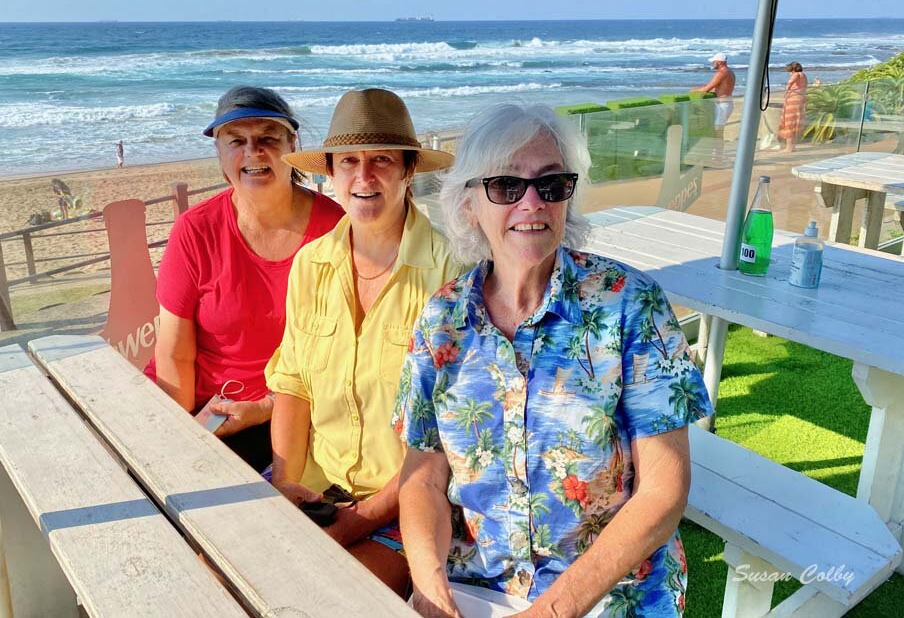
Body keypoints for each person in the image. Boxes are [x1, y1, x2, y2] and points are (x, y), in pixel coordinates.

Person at [394, 104, 713, 618]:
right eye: (505, 186)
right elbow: (424, 475)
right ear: (469, 204)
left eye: (550, 185)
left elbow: (663, 491)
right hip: (479, 585)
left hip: (613, 592)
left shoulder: (629, 304)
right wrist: (430, 590)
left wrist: (552, 611)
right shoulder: (442, 321)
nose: (531, 203)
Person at [266, 88, 461, 596]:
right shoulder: (311, 264)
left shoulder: (450, 274)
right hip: (315, 484)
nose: (364, 176)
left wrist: (363, 517)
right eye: (348, 161)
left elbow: (450, 435)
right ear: (330, 171)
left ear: (409, 169)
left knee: (330, 600)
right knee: (214, 569)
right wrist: (287, 483)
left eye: (381, 160)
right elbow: (292, 383)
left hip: (412, 502)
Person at [150, 86, 343, 472]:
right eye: (236, 141)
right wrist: (182, 439)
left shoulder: (335, 228)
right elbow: (175, 353)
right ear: (220, 154)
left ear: (293, 144)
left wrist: (264, 408)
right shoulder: (196, 230)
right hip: (206, 406)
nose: (253, 152)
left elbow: (339, 356)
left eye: (269, 138)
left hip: (291, 408)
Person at [692, 52, 736, 136]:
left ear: (719, 62)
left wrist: (693, 91)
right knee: (718, 131)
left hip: (722, 105)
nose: (713, 63)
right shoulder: (730, 72)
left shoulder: (721, 73)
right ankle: (718, 149)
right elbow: (721, 89)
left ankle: (718, 149)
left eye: (714, 61)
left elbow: (706, 89)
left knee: (717, 132)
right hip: (727, 103)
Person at [777, 62, 808, 154]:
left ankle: (789, 147)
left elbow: (791, 82)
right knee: (795, 123)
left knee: (789, 123)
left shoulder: (797, 74)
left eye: (789, 71)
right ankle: (791, 146)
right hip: (800, 98)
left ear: (793, 70)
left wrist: (787, 90)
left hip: (794, 100)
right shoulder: (804, 75)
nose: (789, 74)